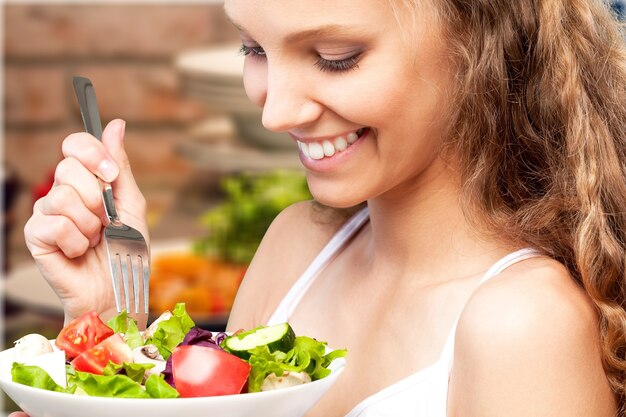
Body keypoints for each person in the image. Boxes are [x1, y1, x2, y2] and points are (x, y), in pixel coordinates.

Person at [15, 0, 626, 416]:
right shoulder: (296, 247)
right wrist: (104, 328)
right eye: (252, 48)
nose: (274, 112)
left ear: (480, 42)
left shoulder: (522, 324)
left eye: (336, 56)